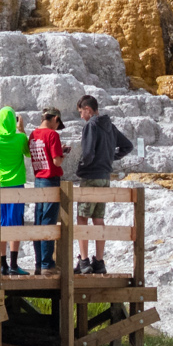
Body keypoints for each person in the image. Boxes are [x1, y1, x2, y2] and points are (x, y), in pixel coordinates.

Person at [71, 92, 134, 273]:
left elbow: (88, 153)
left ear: (88, 110)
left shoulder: (91, 126)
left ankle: (83, 261)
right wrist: (108, 158)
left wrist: (81, 168)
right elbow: (127, 146)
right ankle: (99, 261)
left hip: (90, 176)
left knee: (82, 218)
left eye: (81, 112)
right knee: (98, 218)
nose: (81, 116)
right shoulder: (110, 126)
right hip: (105, 177)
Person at [0, 101, 30, 275]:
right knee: (15, 223)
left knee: (1, 223)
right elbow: (28, 153)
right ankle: (13, 264)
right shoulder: (20, 138)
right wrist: (22, 130)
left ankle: (2, 263)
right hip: (17, 185)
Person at [26, 105, 66, 274]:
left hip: (38, 180)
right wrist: (62, 154)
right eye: (58, 123)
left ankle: (38, 263)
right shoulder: (52, 135)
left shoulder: (33, 135)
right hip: (50, 180)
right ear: (55, 119)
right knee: (48, 222)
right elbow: (56, 161)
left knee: (38, 220)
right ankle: (47, 264)